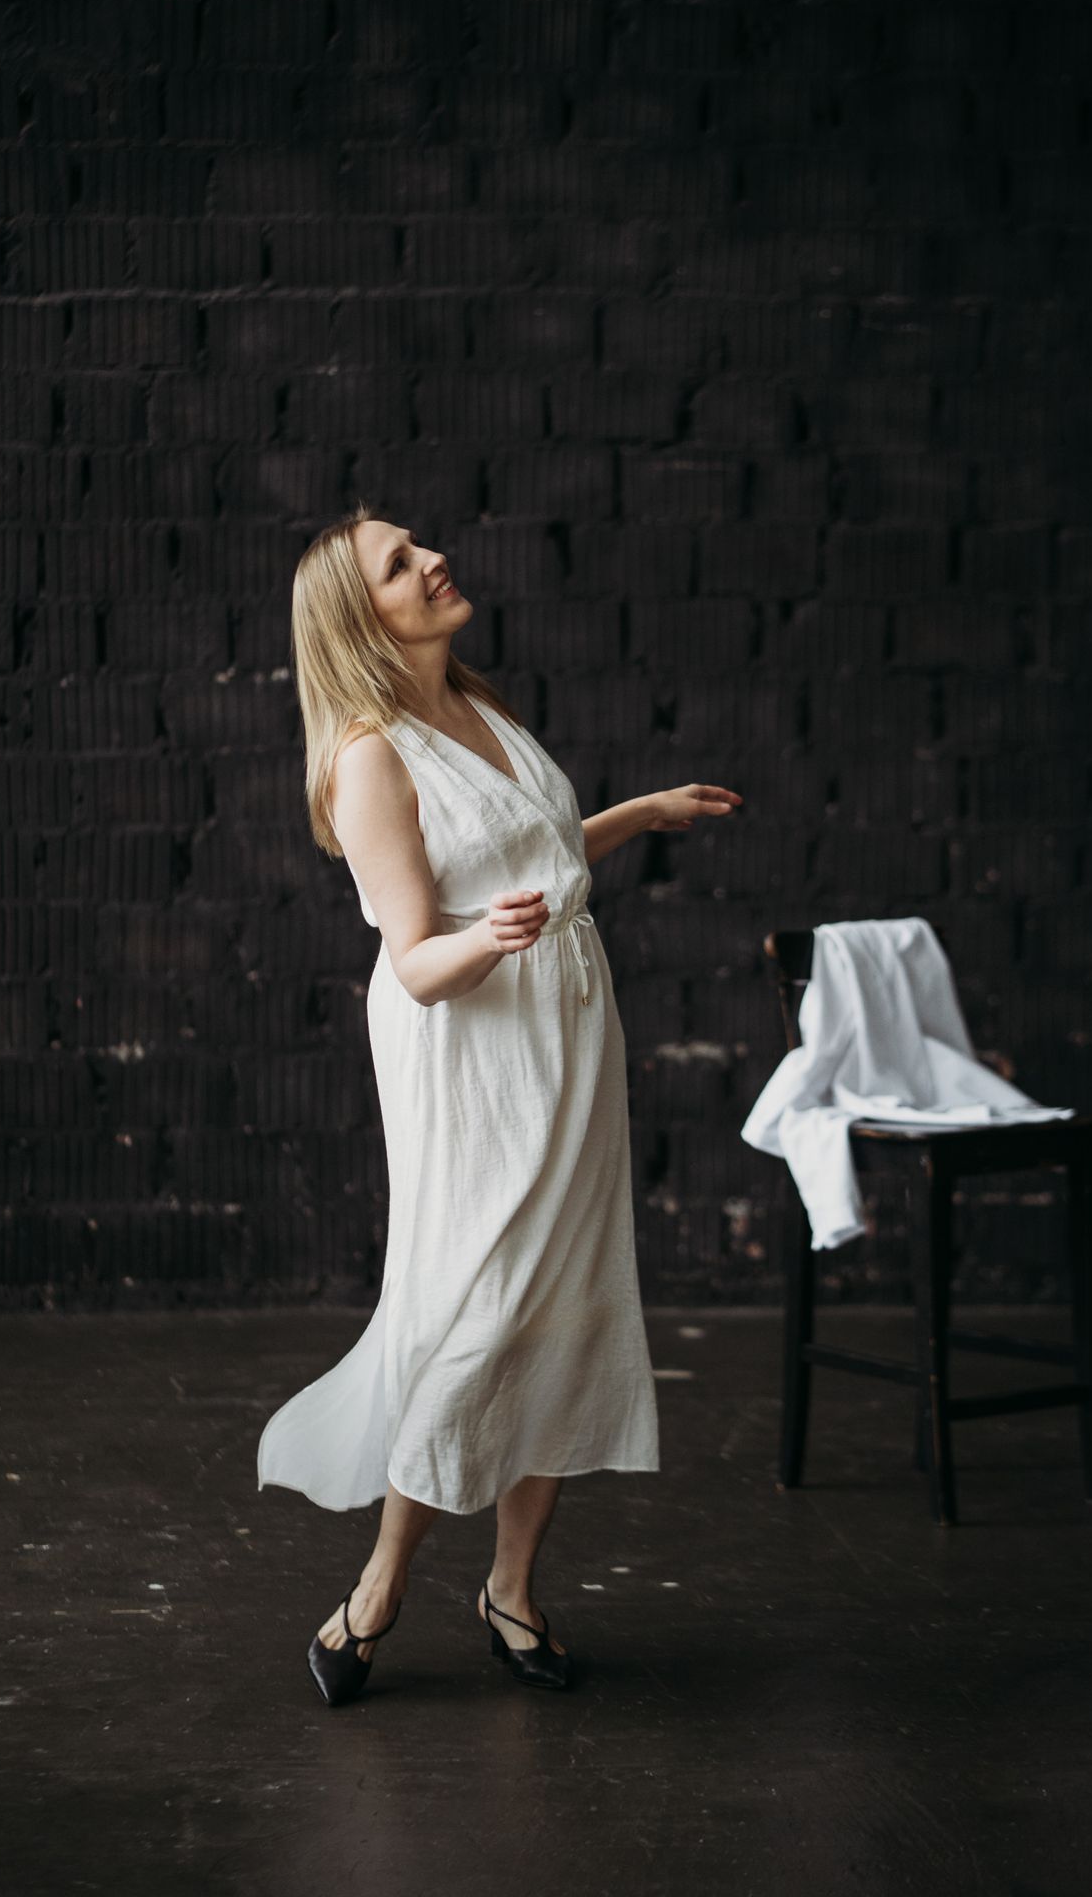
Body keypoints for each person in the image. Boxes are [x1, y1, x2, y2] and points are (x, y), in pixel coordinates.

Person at [255, 501, 743, 1705]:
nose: (433, 562)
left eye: (419, 547)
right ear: (360, 619)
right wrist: (491, 942)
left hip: (566, 1029)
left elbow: (534, 858)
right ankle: (378, 1589)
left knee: (567, 1306)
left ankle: (513, 1593)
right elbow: (420, 958)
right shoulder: (369, 757)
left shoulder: (476, 705)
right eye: (400, 564)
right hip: (474, 1049)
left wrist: (641, 815)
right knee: (478, 1316)